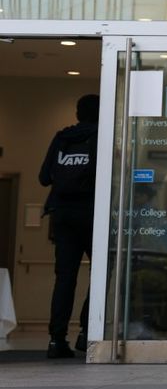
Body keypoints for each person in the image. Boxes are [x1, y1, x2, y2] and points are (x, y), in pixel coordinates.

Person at [39, 93, 98, 359]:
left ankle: (56, 339)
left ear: (77, 113)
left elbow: (43, 178)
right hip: (90, 213)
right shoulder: (100, 135)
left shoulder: (61, 138)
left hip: (62, 215)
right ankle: (87, 333)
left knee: (65, 277)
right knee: (99, 275)